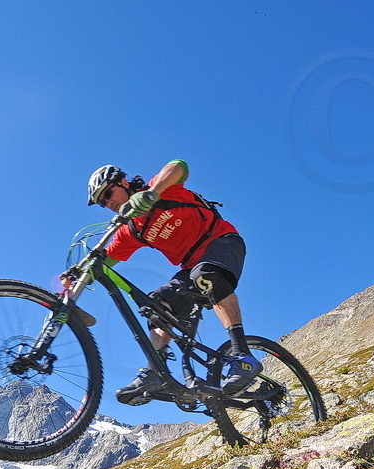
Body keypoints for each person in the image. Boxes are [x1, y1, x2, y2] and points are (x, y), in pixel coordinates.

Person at [86, 160, 262, 405]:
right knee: (157, 305)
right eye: (102, 202)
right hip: (190, 268)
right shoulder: (132, 229)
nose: (108, 203)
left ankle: (243, 355)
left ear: (123, 183)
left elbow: (179, 166)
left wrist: (152, 193)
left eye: (108, 194)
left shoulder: (162, 189)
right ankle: (155, 371)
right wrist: (78, 275)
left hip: (221, 242)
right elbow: (108, 259)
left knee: (206, 275)